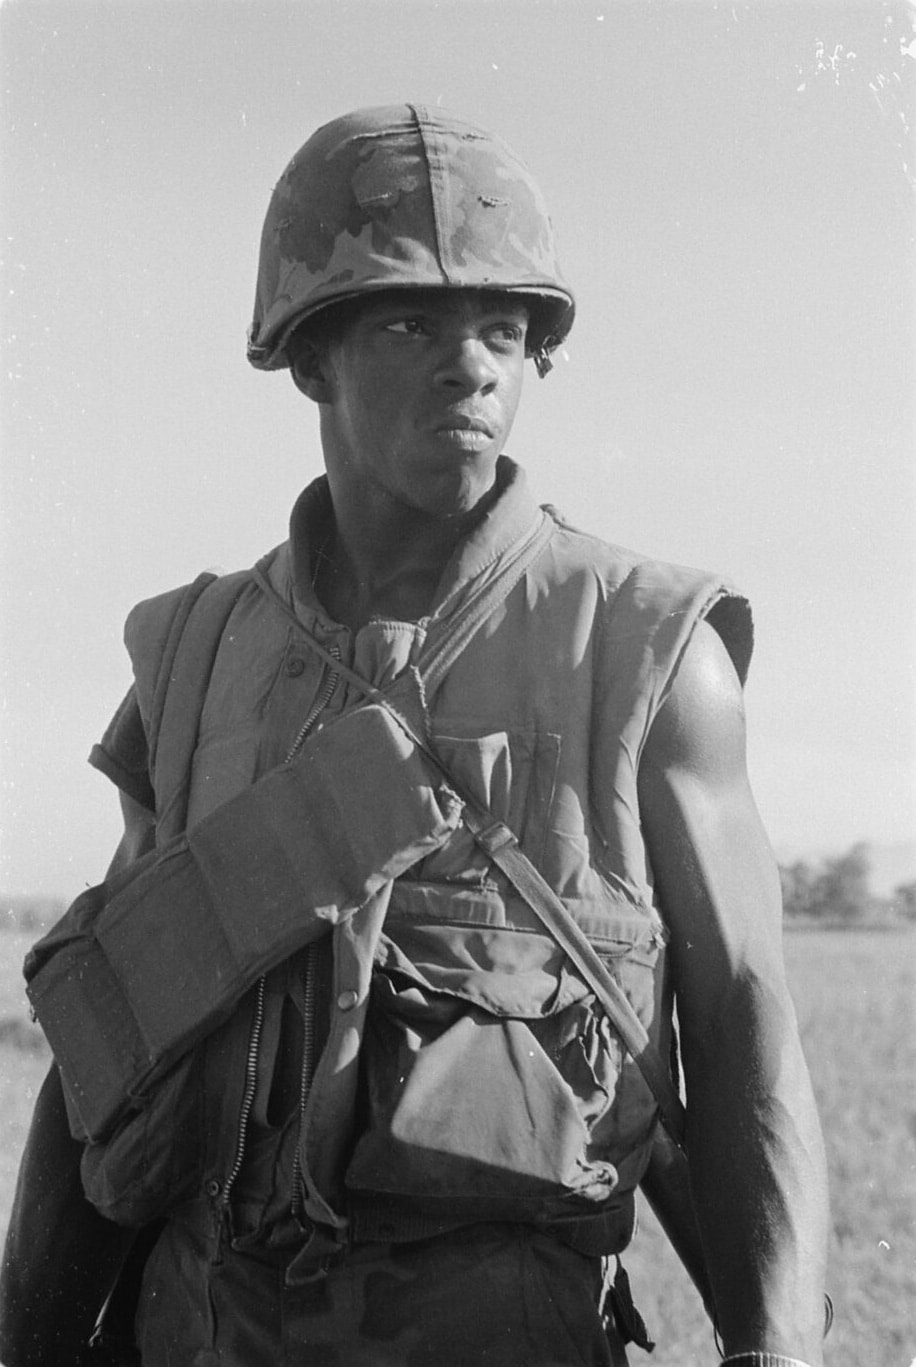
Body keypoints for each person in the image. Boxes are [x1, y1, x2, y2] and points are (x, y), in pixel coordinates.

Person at [0, 104, 829, 1367]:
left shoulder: (649, 650)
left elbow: (741, 1024)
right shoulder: (196, 658)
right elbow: (110, 1047)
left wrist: (776, 1349)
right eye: (409, 323)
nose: (472, 366)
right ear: (308, 358)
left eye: (503, 328)